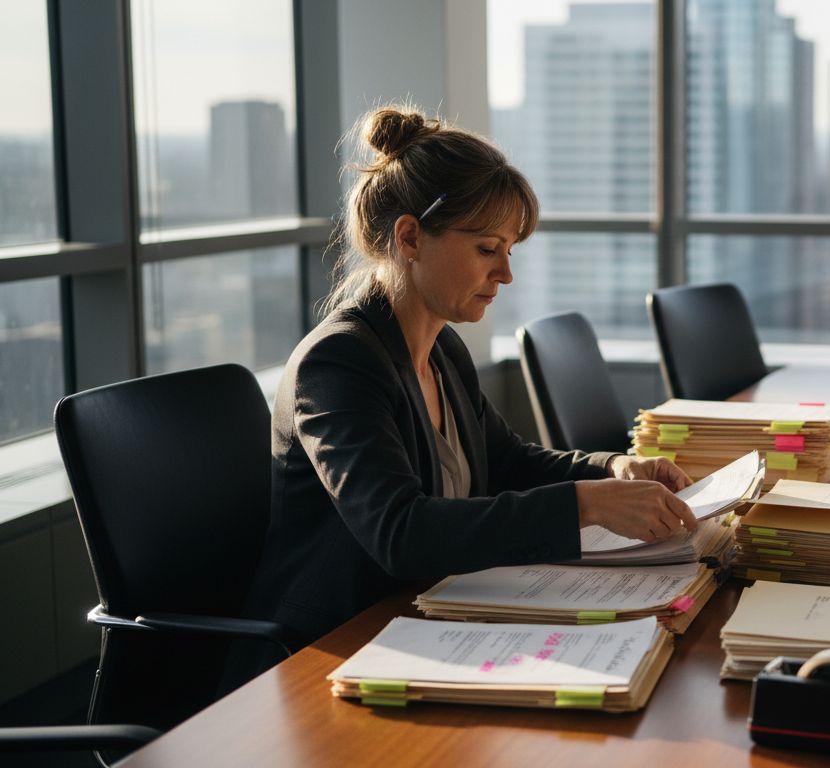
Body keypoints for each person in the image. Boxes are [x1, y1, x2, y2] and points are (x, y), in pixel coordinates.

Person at [242, 106, 697, 651]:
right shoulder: (338, 363)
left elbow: (505, 461)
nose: (505, 273)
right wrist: (588, 505)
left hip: (427, 618)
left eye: (508, 251)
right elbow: (400, 533)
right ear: (409, 238)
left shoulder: (441, 349)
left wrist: (614, 467)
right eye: (487, 249)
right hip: (334, 646)